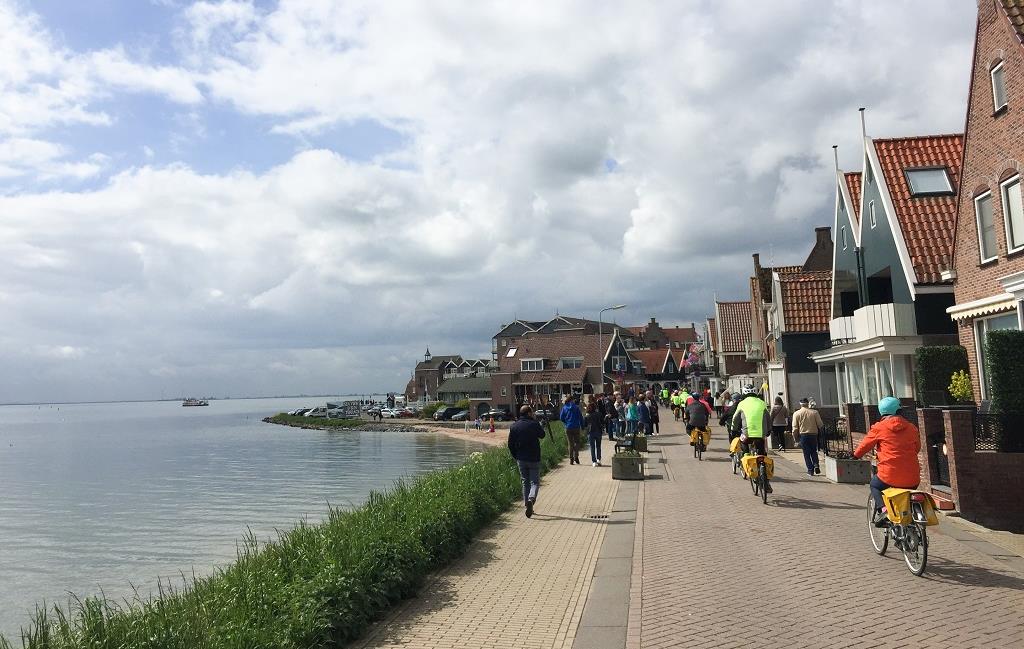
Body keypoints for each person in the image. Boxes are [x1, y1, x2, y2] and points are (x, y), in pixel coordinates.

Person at [853, 396, 921, 525]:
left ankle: (884, 510)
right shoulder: (911, 427)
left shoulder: (879, 427)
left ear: (881, 411)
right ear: (899, 411)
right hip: (913, 477)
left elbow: (865, 445)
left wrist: (855, 456)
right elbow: (917, 448)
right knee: (908, 494)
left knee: (874, 485)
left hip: (888, 476)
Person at [507, 405, 547, 518]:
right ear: (529, 413)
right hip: (534, 458)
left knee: (525, 481)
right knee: (534, 482)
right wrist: (541, 425)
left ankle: (527, 505)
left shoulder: (514, 426)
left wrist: (516, 456)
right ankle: (531, 499)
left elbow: (510, 444)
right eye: (532, 412)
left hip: (521, 458)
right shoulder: (534, 424)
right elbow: (542, 435)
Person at [732, 384, 772, 492]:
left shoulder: (741, 403)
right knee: (762, 454)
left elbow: (735, 419)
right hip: (760, 435)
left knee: (743, 444)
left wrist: (733, 429)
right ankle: (766, 480)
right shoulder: (762, 403)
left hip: (747, 434)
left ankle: (747, 460)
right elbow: (768, 418)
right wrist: (768, 430)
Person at [791, 397, 824, 476]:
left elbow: (795, 428)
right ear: (808, 403)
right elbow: (820, 425)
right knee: (814, 451)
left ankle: (810, 470)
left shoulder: (797, 413)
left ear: (800, 404)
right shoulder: (815, 412)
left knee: (806, 454)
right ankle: (816, 464)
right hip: (814, 435)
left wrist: (795, 439)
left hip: (804, 435)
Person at [560, 395, 584, 465]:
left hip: (568, 427)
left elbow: (561, 418)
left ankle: (571, 459)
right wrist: (582, 426)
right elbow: (581, 418)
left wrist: (566, 422)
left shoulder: (564, 408)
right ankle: (576, 456)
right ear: (572, 400)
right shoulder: (576, 408)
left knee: (570, 444)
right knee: (577, 443)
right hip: (576, 427)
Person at [586, 401, 604, 466]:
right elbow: (603, 422)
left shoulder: (587, 415)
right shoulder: (599, 414)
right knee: (598, 446)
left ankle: (594, 461)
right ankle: (599, 459)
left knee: (592, 447)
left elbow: (585, 424)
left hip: (591, 433)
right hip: (598, 432)